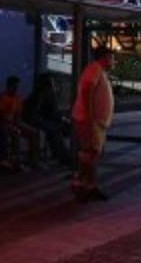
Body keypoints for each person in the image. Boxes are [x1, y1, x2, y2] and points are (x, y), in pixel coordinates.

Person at [71, 46, 115, 201]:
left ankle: (85, 183)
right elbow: (86, 92)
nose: (113, 61)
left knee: (92, 153)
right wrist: (90, 118)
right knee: (91, 153)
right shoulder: (94, 69)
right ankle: (84, 184)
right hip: (90, 121)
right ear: (104, 57)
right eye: (111, 57)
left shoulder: (98, 71)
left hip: (96, 122)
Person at [0, 75, 41, 170]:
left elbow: (18, 114)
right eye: (13, 86)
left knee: (35, 132)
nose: (15, 88)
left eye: (16, 86)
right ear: (8, 86)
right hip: (4, 123)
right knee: (15, 132)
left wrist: (18, 122)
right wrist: (12, 122)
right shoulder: (2, 97)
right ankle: (11, 160)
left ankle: (33, 160)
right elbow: (0, 114)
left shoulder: (18, 98)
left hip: (15, 122)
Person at [25, 75, 72, 166]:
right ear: (49, 83)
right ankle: (63, 156)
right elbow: (53, 112)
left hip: (38, 119)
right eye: (53, 82)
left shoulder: (39, 93)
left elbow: (51, 112)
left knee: (59, 128)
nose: (54, 85)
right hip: (37, 120)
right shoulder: (46, 93)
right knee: (56, 130)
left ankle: (60, 154)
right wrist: (63, 119)